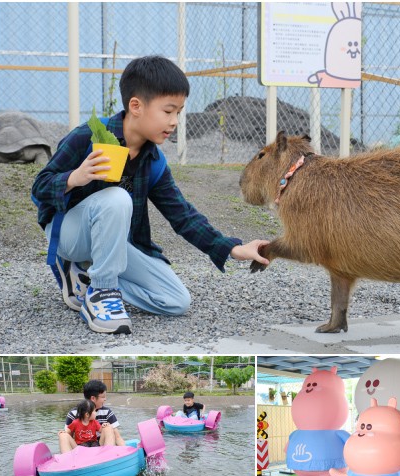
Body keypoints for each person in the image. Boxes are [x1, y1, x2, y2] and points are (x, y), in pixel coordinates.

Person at [31, 55, 270, 335]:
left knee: (175, 300)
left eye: (179, 112)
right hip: (70, 236)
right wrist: (74, 177)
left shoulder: (153, 160)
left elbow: (182, 215)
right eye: (168, 111)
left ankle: (83, 277)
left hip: (112, 243)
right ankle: (102, 292)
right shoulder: (88, 137)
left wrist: (231, 248)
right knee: (117, 198)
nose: (174, 121)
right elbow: (40, 188)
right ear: (136, 106)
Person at [60, 379, 125, 452]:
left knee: (108, 427)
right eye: (103, 397)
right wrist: (63, 433)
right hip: (79, 450)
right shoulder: (74, 413)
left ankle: (108, 456)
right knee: (63, 435)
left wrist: (126, 451)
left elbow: (117, 437)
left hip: (99, 448)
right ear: (93, 398)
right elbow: (68, 436)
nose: (105, 399)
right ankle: (68, 461)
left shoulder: (107, 412)